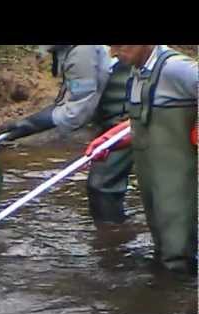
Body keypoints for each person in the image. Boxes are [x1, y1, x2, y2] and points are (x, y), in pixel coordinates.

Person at [85, 45, 198, 274]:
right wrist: (113, 138)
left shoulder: (175, 68)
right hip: (153, 181)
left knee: (177, 255)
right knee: (164, 246)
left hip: (177, 181)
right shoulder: (138, 71)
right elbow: (148, 121)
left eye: (119, 45)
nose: (113, 53)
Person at [0, 45, 133, 225]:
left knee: (102, 187)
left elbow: (77, 111)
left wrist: (28, 125)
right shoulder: (71, 51)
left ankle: (112, 244)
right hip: (116, 118)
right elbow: (73, 98)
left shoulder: (83, 52)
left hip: (131, 118)